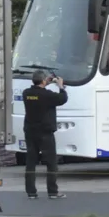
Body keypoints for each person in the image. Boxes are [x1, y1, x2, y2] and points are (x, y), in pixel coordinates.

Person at [22, 70, 69, 199]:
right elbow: (63, 98)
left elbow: (38, 93)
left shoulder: (26, 93)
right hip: (45, 133)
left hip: (30, 132)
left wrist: (45, 83)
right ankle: (53, 192)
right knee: (51, 163)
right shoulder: (48, 95)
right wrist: (60, 85)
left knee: (31, 162)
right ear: (43, 81)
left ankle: (31, 192)